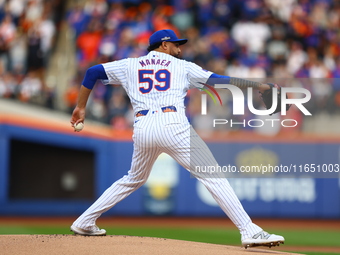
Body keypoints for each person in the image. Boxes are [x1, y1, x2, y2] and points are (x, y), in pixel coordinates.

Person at [70, 29, 285, 248]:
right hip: (173, 125)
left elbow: (92, 73)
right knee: (212, 176)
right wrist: (259, 86)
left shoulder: (130, 65)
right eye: (175, 44)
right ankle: (249, 231)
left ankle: (85, 220)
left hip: (143, 127)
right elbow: (219, 81)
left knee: (133, 178)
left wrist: (80, 107)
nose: (179, 49)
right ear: (164, 45)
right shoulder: (183, 67)